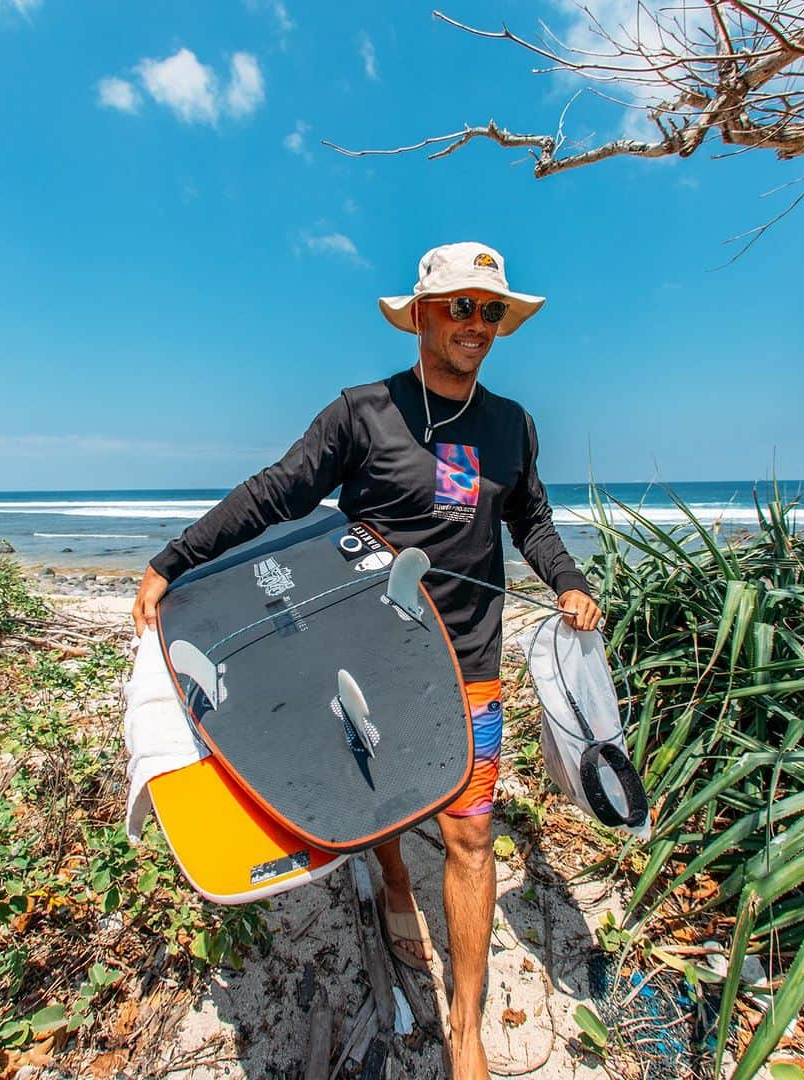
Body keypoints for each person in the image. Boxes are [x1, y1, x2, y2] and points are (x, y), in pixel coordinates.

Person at [131, 242, 602, 1080]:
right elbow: (279, 492)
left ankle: (465, 1034)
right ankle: (389, 877)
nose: (477, 325)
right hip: (366, 653)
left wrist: (566, 580)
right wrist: (174, 560)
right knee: (380, 785)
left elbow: (529, 521)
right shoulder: (363, 413)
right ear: (420, 315)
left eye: (490, 310)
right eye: (460, 306)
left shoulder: (512, 426)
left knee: (469, 830)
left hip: (470, 661)